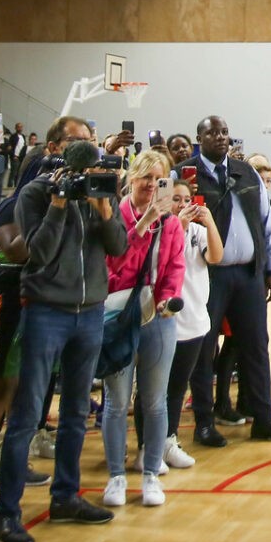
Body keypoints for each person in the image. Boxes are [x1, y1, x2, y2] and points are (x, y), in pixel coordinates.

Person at [0, 139, 130, 542]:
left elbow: (118, 247)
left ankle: (65, 497)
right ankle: (7, 514)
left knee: (75, 413)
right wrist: (58, 205)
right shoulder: (35, 193)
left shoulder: (103, 189)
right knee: (27, 416)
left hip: (89, 312)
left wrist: (104, 208)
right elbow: (38, 253)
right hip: (46, 310)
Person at [185, 116, 271, 447]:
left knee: (256, 345)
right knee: (204, 349)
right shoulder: (187, 173)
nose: (220, 137)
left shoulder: (246, 172)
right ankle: (205, 422)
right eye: (212, 132)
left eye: (224, 132)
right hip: (208, 274)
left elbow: (266, 224)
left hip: (248, 273)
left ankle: (263, 417)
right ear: (199, 137)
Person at [99, 150, 184, 510]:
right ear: (131, 179)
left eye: (159, 179)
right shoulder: (113, 216)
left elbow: (175, 266)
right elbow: (115, 263)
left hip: (157, 317)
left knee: (154, 400)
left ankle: (151, 472)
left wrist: (168, 299)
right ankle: (116, 476)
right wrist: (143, 224)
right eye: (145, 177)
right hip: (117, 314)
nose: (152, 185)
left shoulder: (173, 223)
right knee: (117, 402)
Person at [163, 174, 219, 468]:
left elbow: (217, 256)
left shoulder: (197, 233)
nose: (183, 205)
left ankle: (169, 440)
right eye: (175, 199)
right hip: (166, 319)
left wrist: (209, 223)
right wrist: (179, 226)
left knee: (178, 387)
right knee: (156, 388)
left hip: (195, 319)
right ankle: (152, 443)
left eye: (187, 200)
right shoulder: (159, 230)